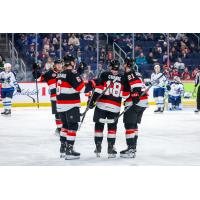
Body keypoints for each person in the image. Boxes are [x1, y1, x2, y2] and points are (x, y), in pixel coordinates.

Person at [88, 60, 129, 158]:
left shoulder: (104, 74)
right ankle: (110, 148)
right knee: (112, 128)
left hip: (101, 105)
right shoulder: (123, 77)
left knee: (99, 126)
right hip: (115, 107)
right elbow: (126, 95)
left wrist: (91, 101)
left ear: (109, 67)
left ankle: (98, 146)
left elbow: (98, 90)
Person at [56, 56, 86, 160]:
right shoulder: (72, 73)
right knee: (73, 126)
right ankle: (69, 149)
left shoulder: (60, 74)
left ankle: (63, 148)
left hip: (60, 105)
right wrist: (93, 83)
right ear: (72, 62)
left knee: (65, 125)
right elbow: (82, 88)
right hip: (70, 104)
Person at [120, 57, 148, 158]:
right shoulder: (136, 74)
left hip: (135, 103)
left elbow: (136, 86)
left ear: (126, 65)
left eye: (124, 64)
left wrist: (135, 95)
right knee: (134, 125)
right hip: (143, 103)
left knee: (129, 125)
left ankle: (131, 149)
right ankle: (133, 147)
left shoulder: (129, 73)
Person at [32, 59, 63, 136]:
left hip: (65, 97)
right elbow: (38, 79)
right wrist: (35, 70)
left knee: (64, 114)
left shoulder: (65, 73)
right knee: (57, 114)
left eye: (60, 64)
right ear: (54, 65)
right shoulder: (49, 73)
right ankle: (59, 129)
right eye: (57, 64)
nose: (59, 65)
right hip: (54, 97)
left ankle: (64, 128)